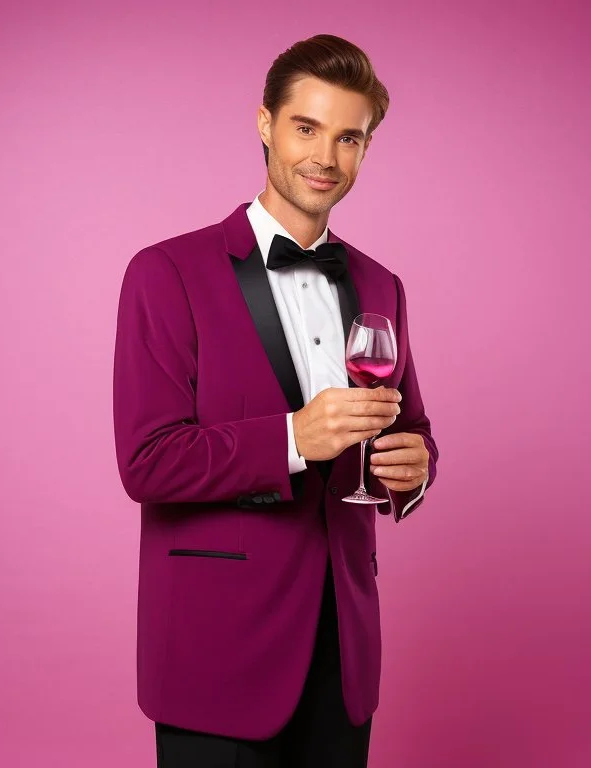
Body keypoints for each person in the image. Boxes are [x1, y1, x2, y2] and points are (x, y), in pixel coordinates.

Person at [113, 33, 438, 768]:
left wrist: (413, 472)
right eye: (306, 127)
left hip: (345, 648)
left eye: (349, 137)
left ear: (366, 148)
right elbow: (147, 463)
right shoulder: (166, 272)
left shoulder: (382, 283)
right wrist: (296, 437)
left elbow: (410, 429)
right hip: (216, 651)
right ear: (265, 123)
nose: (327, 155)